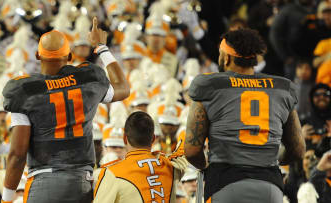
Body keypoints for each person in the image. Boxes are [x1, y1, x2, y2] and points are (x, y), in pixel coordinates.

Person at [1, 17, 130, 203]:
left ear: (37, 55)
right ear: (69, 56)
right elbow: (123, 88)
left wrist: (6, 199)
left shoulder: (24, 90)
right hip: (81, 182)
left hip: (43, 181)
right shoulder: (87, 80)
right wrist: (101, 47)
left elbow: (17, 154)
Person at [184, 28, 306, 203]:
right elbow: (298, 149)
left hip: (226, 182)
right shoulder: (282, 88)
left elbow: (192, 150)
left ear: (226, 57)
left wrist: (206, 166)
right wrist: (275, 159)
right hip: (269, 185)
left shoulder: (209, 86)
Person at [93, 111, 187, 203]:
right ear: (153, 139)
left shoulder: (112, 173)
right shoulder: (170, 166)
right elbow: (187, 149)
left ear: (125, 138)